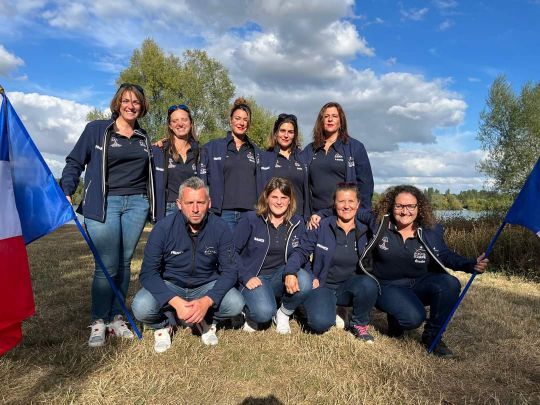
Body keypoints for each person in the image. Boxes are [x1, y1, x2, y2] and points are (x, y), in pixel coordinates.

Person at [60, 83, 155, 347]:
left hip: (137, 204)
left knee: (124, 263)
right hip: (103, 203)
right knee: (107, 264)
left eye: (136, 102)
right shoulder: (96, 130)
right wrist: (66, 189)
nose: (131, 105)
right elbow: (74, 162)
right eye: (126, 100)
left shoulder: (144, 138)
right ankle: (99, 320)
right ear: (117, 103)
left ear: (142, 106)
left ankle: (116, 317)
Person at [370, 185, 489, 357]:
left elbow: (445, 255)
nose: (405, 211)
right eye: (399, 206)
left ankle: (433, 336)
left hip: (419, 283)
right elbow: (349, 213)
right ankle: (396, 317)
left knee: (450, 283)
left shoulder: (430, 230)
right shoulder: (378, 225)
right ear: (391, 206)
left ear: (419, 207)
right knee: (412, 319)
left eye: (411, 206)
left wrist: (470, 264)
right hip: (387, 285)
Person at [132, 177, 244, 352]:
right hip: (171, 285)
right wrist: (175, 302)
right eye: (189, 202)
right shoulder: (162, 228)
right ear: (179, 203)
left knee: (236, 303)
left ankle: (207, 321)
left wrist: (207, 301)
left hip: (205, 284)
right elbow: (148, 273)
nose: (195, 209)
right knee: (141, 306)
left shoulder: (220, 227)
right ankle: (164, 325)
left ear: (209, 203)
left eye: (200, 202)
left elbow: (230, 271)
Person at [284, 183, 379, 342]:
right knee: (320, 324)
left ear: (358, 204)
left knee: (369, 283)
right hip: (323, 285)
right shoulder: (320, 225)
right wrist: (290, 271)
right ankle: (323, 307)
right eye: (341, 201)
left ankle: (359, 324)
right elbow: (301, 252)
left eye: (351, 201)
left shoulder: (366, 231)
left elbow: (379, 222)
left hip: (350, 286)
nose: (346, 206)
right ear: (334, 204)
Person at [234, 177, 312, 334]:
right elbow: (231, 252)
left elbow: (301, 252)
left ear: (290, 201)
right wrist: (245, 276)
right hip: (255, 278)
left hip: (280, 276)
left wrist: (291, 272)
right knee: (263, 314)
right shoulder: (251, 219)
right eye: (274, 197)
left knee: (304, 279)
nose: (279, 202)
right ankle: (248, 308)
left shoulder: (297, 223)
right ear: (266, 198)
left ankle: (283, 313)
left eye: (284, 197)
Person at [304, 102, 374, 228]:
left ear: (341, 121)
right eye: (326, 116)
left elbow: (366, 184)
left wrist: (360, 215)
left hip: (344, 217)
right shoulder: (310, 150)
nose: (330, 119)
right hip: (316, 218)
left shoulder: (355, 147)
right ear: (321, 121)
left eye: (334, 116)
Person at [200, 97, 264, 231]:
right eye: (237, 118)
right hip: (222, 213)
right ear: (230, 120)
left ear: (249, 123)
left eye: (245, 120)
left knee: (245, 252)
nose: (241, 123)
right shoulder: (212, 147)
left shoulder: (256, 152)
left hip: (249, 214)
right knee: (224, 251)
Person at [153, 104, 200, 220]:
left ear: (191, 122)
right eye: (175, 121)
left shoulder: (199, 151)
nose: (180, 124)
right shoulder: (160, 150)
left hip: (193, 209)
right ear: (170, 125)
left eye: (184, 119)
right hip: (168, 209)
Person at [261, 114, 310, 219]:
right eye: (282, 131)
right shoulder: (265, 157)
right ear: (275, 133)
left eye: (290, 132)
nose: (286, 135)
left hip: (299, 218)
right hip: (273, 218)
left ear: (295, 135)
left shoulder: (303, 157)